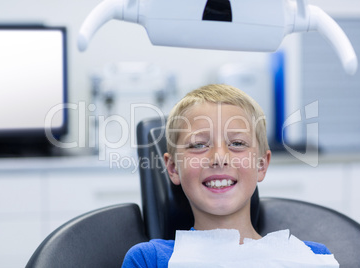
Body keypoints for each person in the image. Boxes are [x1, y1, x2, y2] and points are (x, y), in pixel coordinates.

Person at [122, 84, 332, 268]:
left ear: (261, 164)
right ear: (173, 168)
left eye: (237, 143)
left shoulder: (310, 258)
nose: (219, 157)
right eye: (198, 145)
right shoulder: (149, 261)